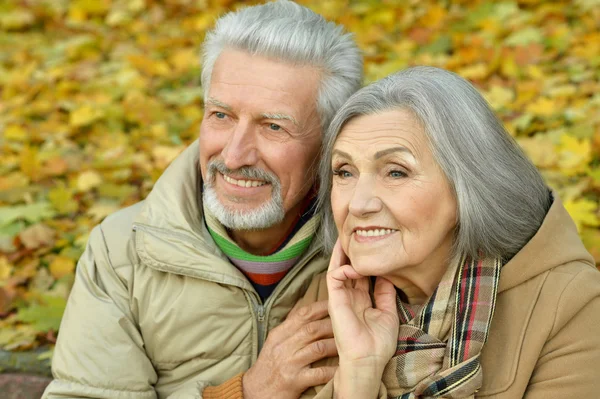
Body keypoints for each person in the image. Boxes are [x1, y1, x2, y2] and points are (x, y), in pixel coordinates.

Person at [42, 1, 363, 398]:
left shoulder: (369, 253)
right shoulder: (122, 252)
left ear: (332, 141)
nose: (233, 156)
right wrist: (246, 392)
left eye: (273, 125)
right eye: (221, 116)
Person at [298, 66, 600, 398]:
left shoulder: (571, 305)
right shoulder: (331, 298)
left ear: (467, 187)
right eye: (344, 172)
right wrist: (359, 372)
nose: (358, 204)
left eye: (396, 172)